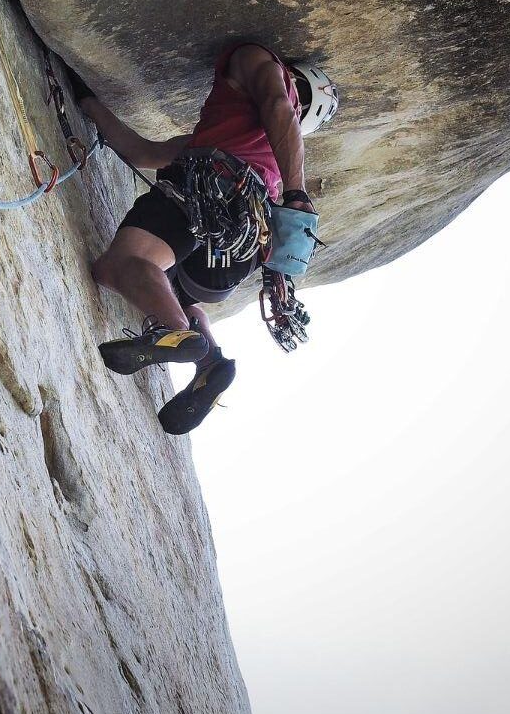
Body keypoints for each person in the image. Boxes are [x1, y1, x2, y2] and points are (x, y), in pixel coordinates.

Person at [67, 43, 339, 434]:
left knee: (124, 264)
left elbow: (278, 105)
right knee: (167, 289)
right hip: (239, 248)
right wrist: (88, 101)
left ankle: (174, 330)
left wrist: (297, 192)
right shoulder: (259, 167)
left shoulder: (259, 62)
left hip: (207, 190)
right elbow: (143, 152)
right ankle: (209, 361)